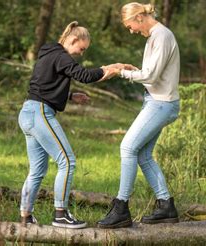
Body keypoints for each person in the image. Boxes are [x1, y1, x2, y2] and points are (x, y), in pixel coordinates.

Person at [18, 21, 131, 229]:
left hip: (28, 112)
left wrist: (69, 95)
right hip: (40, 113)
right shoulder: (61, 55)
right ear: (73, 39)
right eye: (81, 48)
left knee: (37, 170)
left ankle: (25, 217)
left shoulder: (48, 54)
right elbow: (85, 76)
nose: (81, 53)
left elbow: (44, 85)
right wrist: (110, 68)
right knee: (67, 162)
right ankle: (60, 214)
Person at [97, 2, 181, 229]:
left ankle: (121, 208)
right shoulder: (155, 36)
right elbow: (151, 73)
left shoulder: (161, 36)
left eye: (130, 25)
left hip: (161, 104)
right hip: (156, 101)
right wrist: (128, 68)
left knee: (127, 148)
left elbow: (152, 76)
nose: (131, 30)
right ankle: (166, 206)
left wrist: (120, 73)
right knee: (143, 155)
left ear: (140, 18)